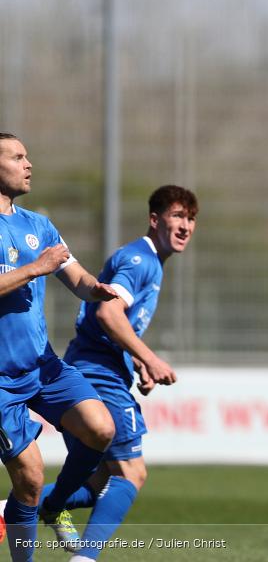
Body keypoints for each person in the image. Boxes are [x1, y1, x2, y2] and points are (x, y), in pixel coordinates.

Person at [34, 185, 197, 561]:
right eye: (177, 216)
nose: (185, 225)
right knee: (132, 473)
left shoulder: (150, 262)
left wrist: (136, 361)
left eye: (190, 218)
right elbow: (108, 313)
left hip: (93, 367)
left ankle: (11, 508)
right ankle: (84, 558)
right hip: (97, 374)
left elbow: (110, 322)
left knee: (98, 484)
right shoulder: (140, 261)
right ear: (155, 220)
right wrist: (151, 358)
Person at [0, 133, 119, 561]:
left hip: (43, 366)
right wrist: (35, 268)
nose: (28, 163)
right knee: (29, 478)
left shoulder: (38, 226)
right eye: (17, 157)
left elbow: (76, 277)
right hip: (0, 382)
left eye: (27, 155)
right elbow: (42, 268)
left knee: (101, 428)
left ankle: (56, 505)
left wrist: (98, 289)